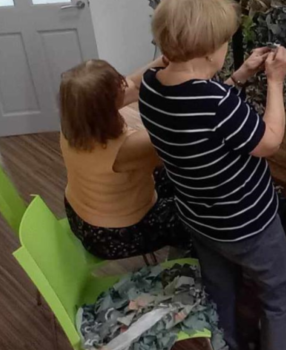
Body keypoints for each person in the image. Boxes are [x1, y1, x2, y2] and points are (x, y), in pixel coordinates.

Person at [139, 0, 286, 350]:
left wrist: (239, 75)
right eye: (225, 43)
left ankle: (225, 343)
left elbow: (202, 118)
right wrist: (275, 81)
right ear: (210, 52)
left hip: (199, 218)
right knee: (279, 295)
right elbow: (269, 141)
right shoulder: (216, 102)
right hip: (247, 225)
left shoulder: (150, 87)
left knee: (219, 290)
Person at [60, 57, 189, 260]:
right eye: (118, 85)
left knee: (171, 180)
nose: (124, 84)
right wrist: (236, 79)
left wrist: (166, 59)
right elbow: (184, 128)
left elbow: (133, 84)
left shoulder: (77, 122)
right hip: (111, 236)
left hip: (78, 216)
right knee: (199, 217)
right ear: (107, 107)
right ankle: (188, 271)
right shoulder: (126, 148)